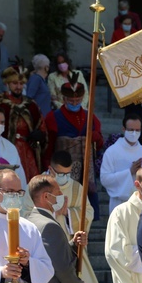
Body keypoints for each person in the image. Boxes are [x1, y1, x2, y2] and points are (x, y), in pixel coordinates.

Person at [40, 150, 115, 283]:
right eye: (59, 173)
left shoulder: (76, 188)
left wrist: (67, 215)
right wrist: (53, 212)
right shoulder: (38, 185)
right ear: (50, 169)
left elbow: (87, 212)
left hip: (72, 246)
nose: (64, 178)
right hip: (46, 248)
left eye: (67, 173)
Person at [43, 80, 103, 220]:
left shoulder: (91, 117)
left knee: (86, 208)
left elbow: (100, 143)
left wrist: (95, 137)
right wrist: (47, 165)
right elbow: (48, 145)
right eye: (71, 100)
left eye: (78, 100)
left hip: (86, 171)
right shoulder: (53, 117)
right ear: (64, 99)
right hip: (63, 170)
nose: (75, 103)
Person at [0, 64, 47, 183]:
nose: (18, 87)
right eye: (15, 83)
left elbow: (42, 126)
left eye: (21, 84)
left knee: (30, 183)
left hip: (28, 151)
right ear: (7, 84)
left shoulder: (31, 105)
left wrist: (40, 134)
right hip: (3, 150)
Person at [100, 113, 142, 214]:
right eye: (131, 130)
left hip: (141, 203)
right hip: (119, 203)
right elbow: (105, 179)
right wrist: (129, 172)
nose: (134, 133)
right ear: (123, 129)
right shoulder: (112, 152)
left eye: (137, 130)